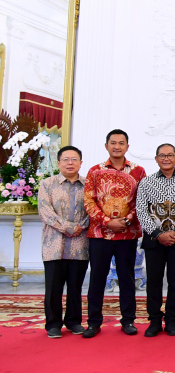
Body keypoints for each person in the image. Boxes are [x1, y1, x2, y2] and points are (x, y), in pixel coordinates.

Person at [82, 129, 147, 339]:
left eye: (121, 143)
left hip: (127, 235)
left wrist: (126, 221)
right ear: (106, 146)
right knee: (97, 279)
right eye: (113, 143)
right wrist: (107, 222)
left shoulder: (138, 171)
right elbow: (89, 201)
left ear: (127, 146)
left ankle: (128, 320)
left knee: (127, 278)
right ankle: (93, 323)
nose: (117, 146)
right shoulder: (95, 171)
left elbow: (142, 201)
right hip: (100, 235)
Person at [136, 143, 175, 337]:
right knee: (153, 281)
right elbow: (141, 210)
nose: (166, 158)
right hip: (153, 239)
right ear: (156, 159)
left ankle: (171, 320)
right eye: (162, 155)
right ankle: (154, 320)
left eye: (170, 155)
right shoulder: (146, 182)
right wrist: (158, 234)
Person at [38, 145, 90, 338]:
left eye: (74, 159)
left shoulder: (88, 185)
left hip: (80, 243)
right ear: (58, 163)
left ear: (80, 163)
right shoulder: (47, 184)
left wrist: (81, 226)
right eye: (66, 159)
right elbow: (45, 211)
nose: (70, 163)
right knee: (53, 287)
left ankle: (74, 321)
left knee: (75, 286)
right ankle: (53, 324)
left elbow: (93, 210)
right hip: (53, 244)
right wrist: (68, 227)